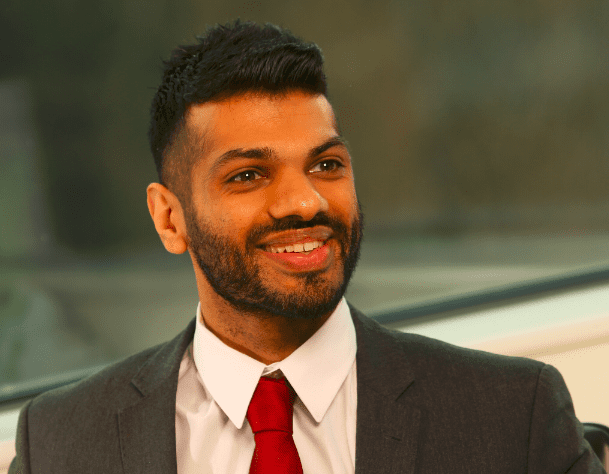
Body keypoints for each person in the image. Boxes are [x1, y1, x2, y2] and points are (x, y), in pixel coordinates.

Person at [9, 20, 605, 474]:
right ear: (170, 219)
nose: (305, 202)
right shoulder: (61, 443)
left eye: (326, 164)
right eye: (247, 175)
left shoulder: (512, 416)